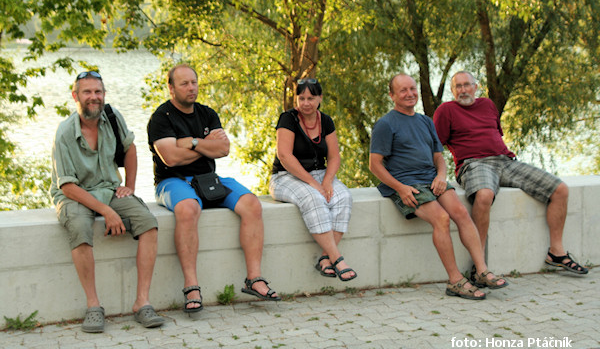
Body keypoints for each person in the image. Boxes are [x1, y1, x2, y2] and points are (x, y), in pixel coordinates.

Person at [147, 64, 280, 312]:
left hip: (208, 180)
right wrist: (205, 146)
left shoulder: (207, 114)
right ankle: (192, 285)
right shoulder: (160, 118)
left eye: (194, 82)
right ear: (171, 87)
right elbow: (171, 159)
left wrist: (193, 142)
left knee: (252, 204)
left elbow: (224, 150)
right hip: (171, 181)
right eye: (184, 83)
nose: (191, 88)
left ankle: (254, 278)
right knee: (188, 208)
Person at [433, 71, 588, 275]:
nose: (463, 90)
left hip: (505, 161)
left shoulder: (488, 105)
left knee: (559, 189)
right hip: (473, 164)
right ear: (452, 91)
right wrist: (438, 175)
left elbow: (494, 135)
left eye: (466, 85)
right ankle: (480, 266)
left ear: (475, 87)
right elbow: (434, 147)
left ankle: (556, 252)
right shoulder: (446, 110)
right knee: (484, 195)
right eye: (458, 87)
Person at [369, 74, 508, 300]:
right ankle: (455, 281)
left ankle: (481, 270)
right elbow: (374, 165)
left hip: (431, 179)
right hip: (406, 183)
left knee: (462, 213)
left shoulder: (425, 121)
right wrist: (401, 189)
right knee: (442, 219)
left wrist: (442, 176)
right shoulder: (385, 124)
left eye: (412, 88)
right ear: (392, 95)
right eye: (402, 90)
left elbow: (438, 157)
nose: (409, 94)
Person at [50, 71, 164, 333]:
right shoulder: (65, 131)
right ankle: (93, 306)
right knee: (79, 228)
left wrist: (130, 186)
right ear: (75, 96)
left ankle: (142, 302)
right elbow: (66, 185)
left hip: (110, 188)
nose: (94, 97)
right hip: (75, 194)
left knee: (148, 222)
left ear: (104, 94)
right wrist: (107, 211)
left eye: (98, 92)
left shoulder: (112, 117)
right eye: (87, 92)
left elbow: (131, 149)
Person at [269, 78, 356, 282]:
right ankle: (338, 259)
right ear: (296, 99)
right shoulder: (287, 119)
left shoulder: (325, 121)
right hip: (286, 176)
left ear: (320, 98)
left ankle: (325, 260)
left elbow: (334, 157)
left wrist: (326, 181)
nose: (306, 103)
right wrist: (315, 184)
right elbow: (285, 156)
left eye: (311, 98)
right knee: (314, 199)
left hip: (319, 174)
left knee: (343, 197)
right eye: (301, 98)